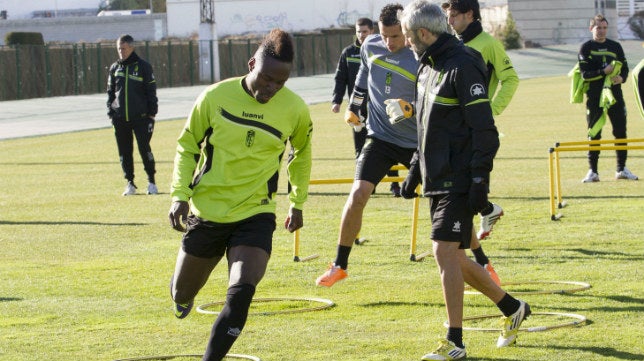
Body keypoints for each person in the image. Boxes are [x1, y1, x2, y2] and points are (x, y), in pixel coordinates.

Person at [167, 29, 313, 361]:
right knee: (182, 291)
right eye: (266, 79)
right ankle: (181, 296)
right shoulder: (214, 97)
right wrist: (179, 195)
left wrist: (297, 201)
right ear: (251, 64)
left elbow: (302, 154)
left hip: (255, 214)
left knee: (242, 292)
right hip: (207, 213)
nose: (272, 88)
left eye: (281, 82)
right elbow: (187, 146)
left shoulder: (295, 110)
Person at [399, 2, 531, 359]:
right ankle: (512, 308)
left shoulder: (463, 63)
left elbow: (484, 130)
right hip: (436, 179)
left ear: (424, 34)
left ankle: (455, 341)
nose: (407, 42)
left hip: (458, 178)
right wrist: (414, 168)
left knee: (443, 253)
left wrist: (479, 180)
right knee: (454, 258)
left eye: (409, 36)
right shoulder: (426, 67)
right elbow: (425, 126)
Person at [315, 3, 419, 287]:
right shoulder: (371, 45)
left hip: (417, 142)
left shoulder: (422, 54)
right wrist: (355, 105)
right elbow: (363, 73)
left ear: (408, 31)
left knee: (444, 201)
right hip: (381, 137)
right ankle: (339, 264)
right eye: (385, 35)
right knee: (358, 194)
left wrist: (411, 107)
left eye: (396, 36)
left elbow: (437, 98)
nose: (389, 42)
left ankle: (482, 261)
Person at [442, 0, 520, 285]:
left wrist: (491, 108)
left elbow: (510, 78)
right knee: (459, 192)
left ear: (469, 15)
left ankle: (477, 260)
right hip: (453, 128)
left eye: (453, 16)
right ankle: (486, 214)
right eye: (447, 16)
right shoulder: (451, 43)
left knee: (463, 190)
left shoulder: (488, 43)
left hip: (474, 128)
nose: (449, 21)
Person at [331, 17, 402, 197]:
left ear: (372, 32)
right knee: (360, 147)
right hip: (358, 110)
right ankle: (365, 184)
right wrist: (336, 100)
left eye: (364, 31)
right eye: (358, 31)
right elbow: (341, 78)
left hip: (380, 108)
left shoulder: (381, 51)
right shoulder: (348, 53)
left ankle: (394, 185)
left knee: (388, 145)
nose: (361, 35)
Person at [578, 14, 637, 183]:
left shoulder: (615, 46)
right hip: (595, 97)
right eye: (598, 28)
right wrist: (603, 72)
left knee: (620, 131)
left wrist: (622, 78)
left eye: (604, 28)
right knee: (594, 133)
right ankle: (593, 171)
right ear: (591, 29)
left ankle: (621, 169)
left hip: (615, 96)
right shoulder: (586, 48)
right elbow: (585, 75)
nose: (602, 31)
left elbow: (625, 68)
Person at [107, 34, 159, 196]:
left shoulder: (144, 67)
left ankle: (151, 182)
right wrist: (111, 112)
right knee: (124, 152)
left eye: (123, 48)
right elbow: (110, 93)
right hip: (120, 118)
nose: (121, 52)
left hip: (141, 118)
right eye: (118, 49)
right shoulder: (115, 68)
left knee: (144, 149)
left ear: (131, 48)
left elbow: (151, 92)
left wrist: (151, 114)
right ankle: (130, 183)